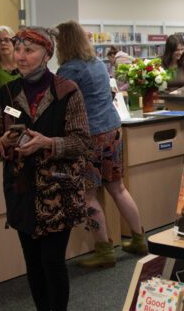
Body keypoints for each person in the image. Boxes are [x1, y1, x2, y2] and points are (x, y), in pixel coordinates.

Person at [0, 27, 88, 311]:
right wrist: (0, 145)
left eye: (29, 50)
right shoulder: (7, 94)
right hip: (21, 189)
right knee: (32, 261)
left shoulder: (67, 92)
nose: (22, 56)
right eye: (18, 49)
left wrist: (47, 143)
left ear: (47, 54)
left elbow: (83, 142)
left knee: (52, 261)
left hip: (57, 190)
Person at [54, 21, 147, 267]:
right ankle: (139, 238)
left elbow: (58, 105)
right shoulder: (97, 64)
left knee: (87, 193)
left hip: (89, 136)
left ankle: (104, 249)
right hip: (112, 129)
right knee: (118, 188)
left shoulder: (68, 70)